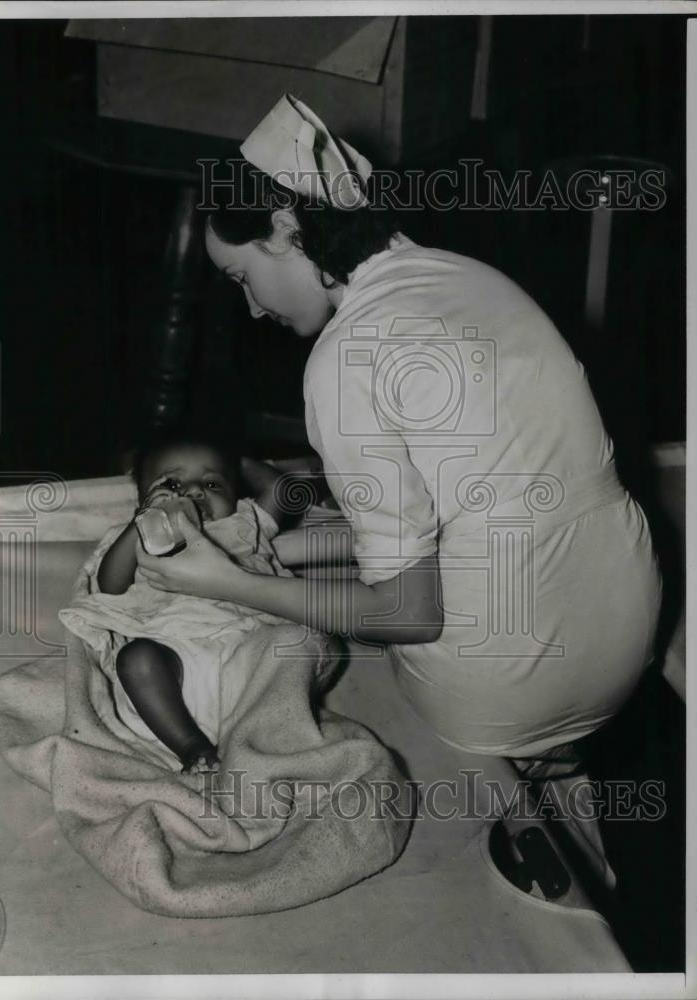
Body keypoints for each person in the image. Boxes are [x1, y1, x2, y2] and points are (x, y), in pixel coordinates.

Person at [136, 96, 662, 855]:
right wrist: (275, 551)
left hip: (506, 678)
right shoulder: (471, 278)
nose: (251, 309)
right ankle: (557, 772)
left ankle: (497, 775)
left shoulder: (342, 361)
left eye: (242, 277)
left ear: (287, 230)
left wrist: (226, 583)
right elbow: (467, 507)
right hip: (630, 624)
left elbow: (413, 611)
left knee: (347, 674)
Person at [59, 430, 296, 774]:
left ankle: (261, 741)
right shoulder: (137, 535)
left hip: (246, 654)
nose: (194, 492)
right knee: (136, 658)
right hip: (171, 668)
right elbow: (108, 587)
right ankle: (191, 746)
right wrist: (142, 524)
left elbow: (281, 490)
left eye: (213, 485)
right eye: (171, 484)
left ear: (237, 493)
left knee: (294, 646)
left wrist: (230, 459)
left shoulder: (244, 523)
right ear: (141, 499)